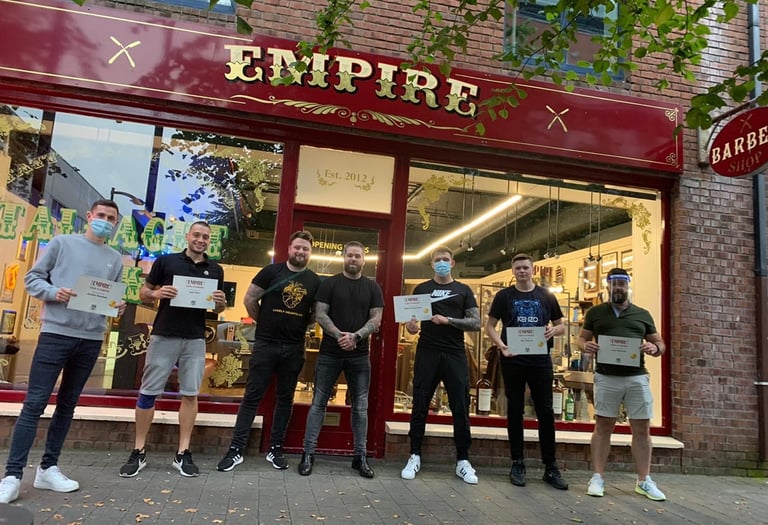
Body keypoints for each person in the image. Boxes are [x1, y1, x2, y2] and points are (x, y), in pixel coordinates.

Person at [0, 200, 126, 504]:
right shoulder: (62, 243)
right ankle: (12, 475)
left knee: (68, 405)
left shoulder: (115, 259)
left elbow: (112, 296)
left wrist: (117, 306)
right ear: (89, 216)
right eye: (101, 215)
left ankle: (48, 468)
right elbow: (32, 279)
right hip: (55, 334)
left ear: (116, 223)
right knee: (35, 404)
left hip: (90, 338)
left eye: (111, 218)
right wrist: (54, 292)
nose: (105, 221)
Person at [119, 221, 227, 478]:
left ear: (209, 241)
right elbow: (143, 292)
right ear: (188, 236)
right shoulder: (166, 262)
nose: (201, 240)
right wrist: (156, 294)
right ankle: (138, 450)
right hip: (163, 334)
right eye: (197, 235)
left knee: (190, 394)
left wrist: (221, 304)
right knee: (148, 392)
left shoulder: (215, 269)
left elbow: (217, 308)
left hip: (195, 338)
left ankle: (183, 452)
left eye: (206, 237)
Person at [216, 231, 321, 472]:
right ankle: (236, 449)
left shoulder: (315, 281)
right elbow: (249, 299)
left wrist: (298, 327)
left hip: (294, 347)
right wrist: (263, 322)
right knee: (252, 396)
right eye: (297, 247)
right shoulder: (270, 272)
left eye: (305, 249)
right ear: (289, 248)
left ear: (310, 253)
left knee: (285, 399)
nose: (301, 252)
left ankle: (276, 449)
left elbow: (315, 314)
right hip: (266, 344)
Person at [577, 267, 666, 501]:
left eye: (622, 284)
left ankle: (644, 480)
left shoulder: (642, 314)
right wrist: (585, 346)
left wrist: (654, 347)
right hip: (606, 376)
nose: (618, 288)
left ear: (628, 286)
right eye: (614, 283)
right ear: (608, 286)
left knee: (642, 427)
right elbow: (582, 338)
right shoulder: (596, 313)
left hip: (636, 376)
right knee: (603, 425)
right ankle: (597, 477)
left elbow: (660, 343)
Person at [298, 241, 384, 478]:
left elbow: (376, 318)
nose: (353, 259)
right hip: (329, 353)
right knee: (318, 403)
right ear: (343, 257)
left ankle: (360, 457)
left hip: (359, 355)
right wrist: (339, 336)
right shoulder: (329, 284)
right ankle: (308, 453)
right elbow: (320, 314)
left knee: (361, 407)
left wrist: (356, 337)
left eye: (357, 256)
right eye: (350, 255)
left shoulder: (372, 287)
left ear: (364, 260)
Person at [485, 253, 569, 490]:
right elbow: (490, 326)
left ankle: (550, 467)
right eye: (518, 268)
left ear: (533, 270)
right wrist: (501, 346)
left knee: (546, 411)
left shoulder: (546, 295)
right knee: (515, 410)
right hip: (513, 359)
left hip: (540, 360)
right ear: (513, 271)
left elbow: (561, 326)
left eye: (525, 267)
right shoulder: (504, 296)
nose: (522, 271)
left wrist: (554, 331)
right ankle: (517, 463)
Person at [400, 246, 481, 484]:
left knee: (460, 405)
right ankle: (414, 455)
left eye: (446, 259)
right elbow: (411, 324)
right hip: (427, 351)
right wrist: (410, 327)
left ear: (453, 263)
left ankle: (463, 460)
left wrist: (449, 320)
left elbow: (475, 323)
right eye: (438, 260)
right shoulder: (421, 289)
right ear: (432, 264)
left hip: (455, 353)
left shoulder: (463, 290)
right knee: (420, 402)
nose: (442, 263)